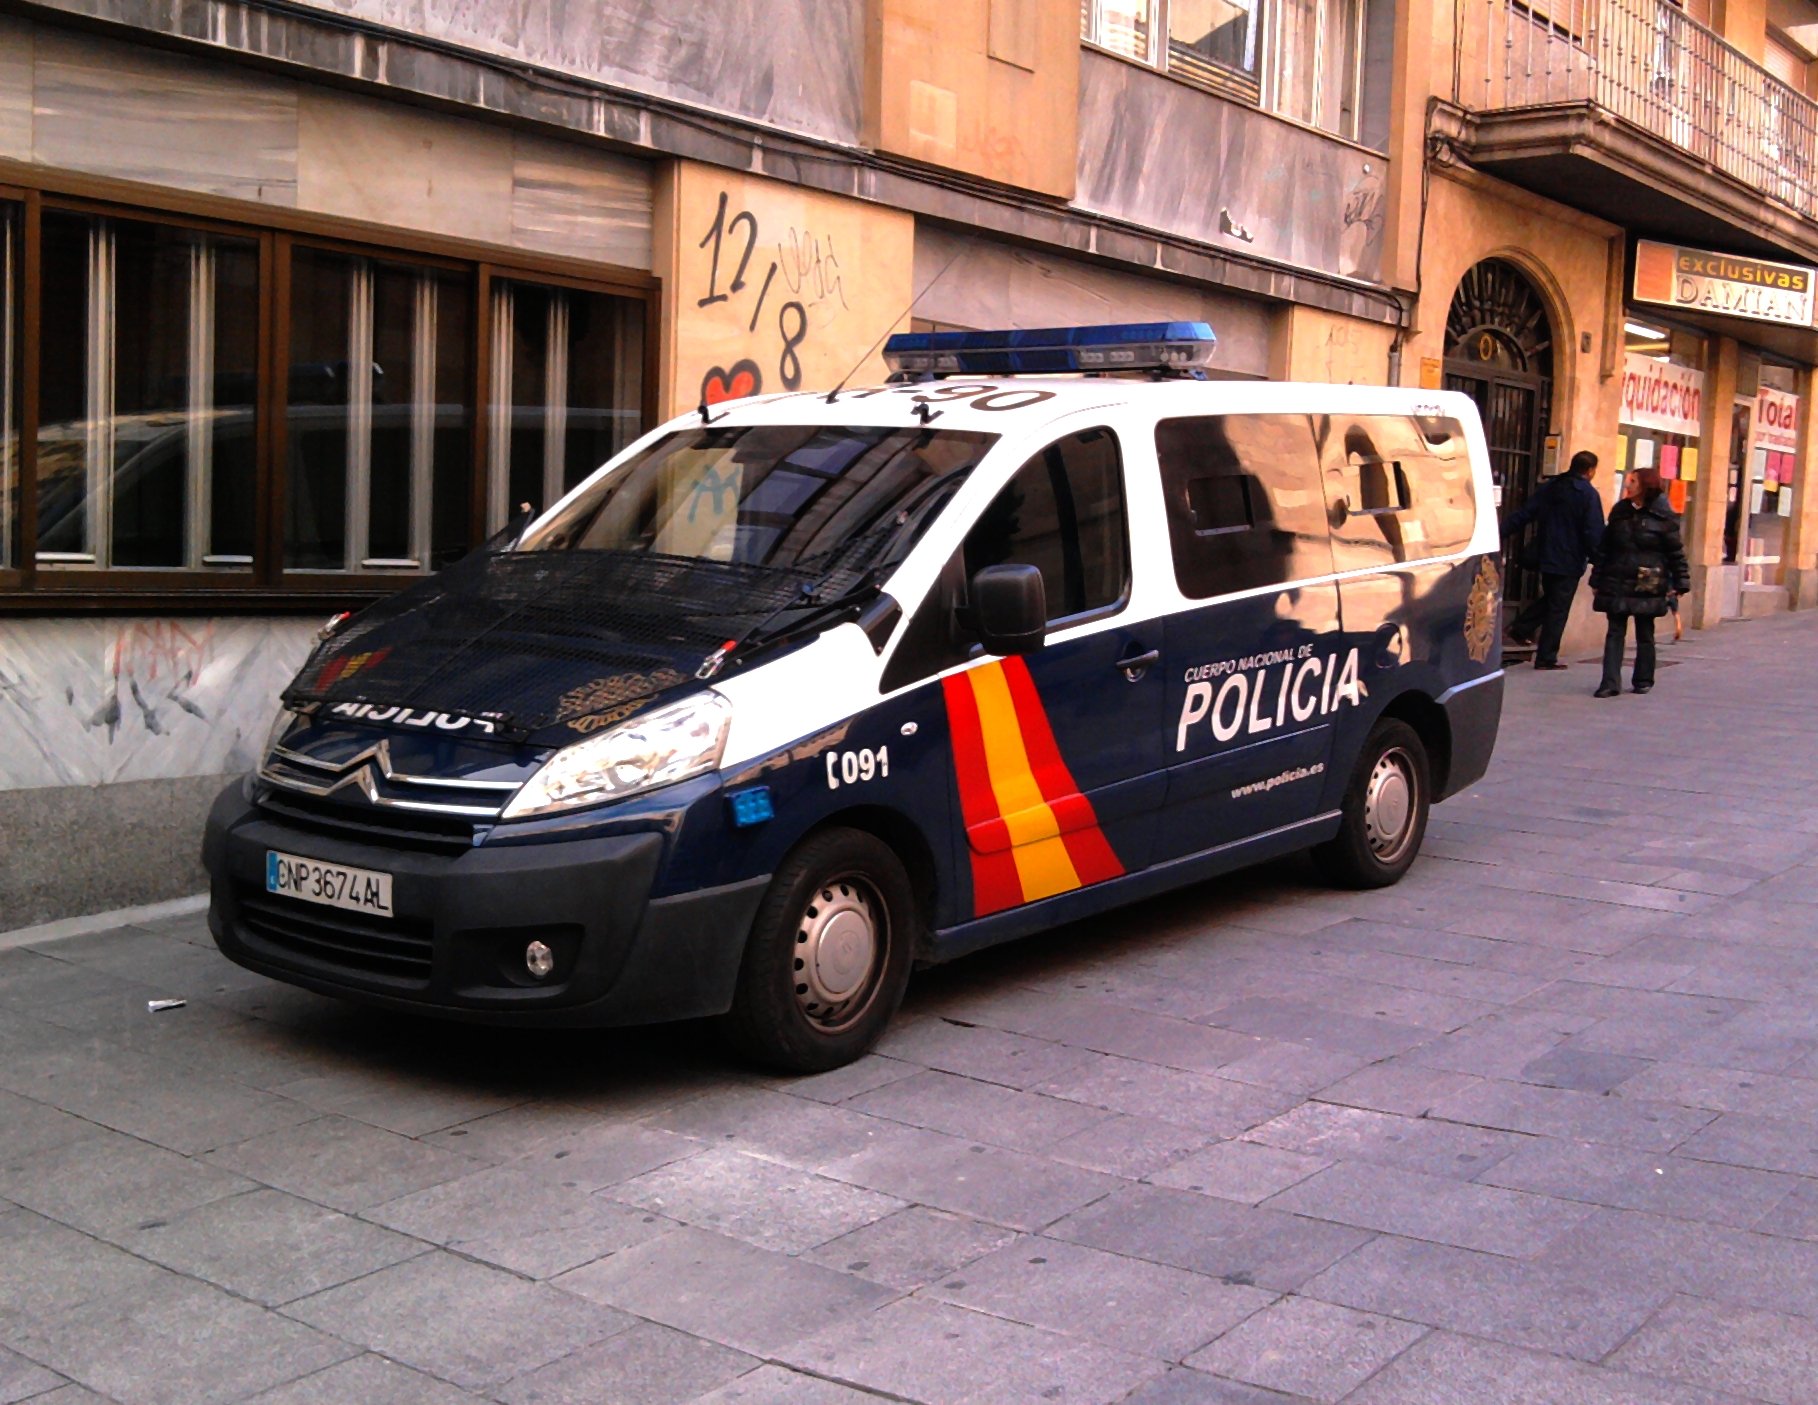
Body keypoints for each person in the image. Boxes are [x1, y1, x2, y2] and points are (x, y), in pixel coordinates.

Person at [1590, 466, 1691, 697]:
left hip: (1647, 580)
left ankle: (1643, 679)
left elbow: (1675, 552)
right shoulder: (1620, 511)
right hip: (1617, 577)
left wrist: (1680, 581)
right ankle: (1610, 682)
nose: (1627, 486)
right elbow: (1605, 548)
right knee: (1615, 631)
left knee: (1645, 631)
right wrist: (1597, 578)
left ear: (1645, 485)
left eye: (1632, 482)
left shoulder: (1663, 515)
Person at [1500, 450, 1606, 669]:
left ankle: (1520, 628)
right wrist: (1599, 559)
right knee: (1558, 607)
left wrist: (1499, 532)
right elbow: (1593, 531)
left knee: (1551, 599)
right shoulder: (1588, 495)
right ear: (1590, 470)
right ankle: (1546, 656)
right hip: (1569, 559)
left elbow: (1525, 513)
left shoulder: (1552, 487)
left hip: (1546, 556)